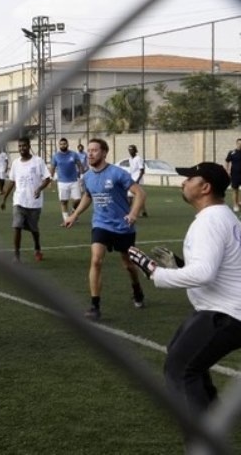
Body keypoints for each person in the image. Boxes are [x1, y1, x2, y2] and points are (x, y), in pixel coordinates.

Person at [126, 162, 241, 426]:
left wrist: (155, 272)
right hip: (221, 308)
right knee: (180, 352)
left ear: (205, 187)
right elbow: (219, 267)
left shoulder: (209, 222)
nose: (183, 182)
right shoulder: (223, 216)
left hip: (226, 312)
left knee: (182, 369)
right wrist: (179, 265)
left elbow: (204, 273)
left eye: (190, 178)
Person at [63, 138, 147, 321]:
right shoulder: (87, 176)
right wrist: (74, 215)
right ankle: (95, 306)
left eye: (94, 150)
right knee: (96, 261)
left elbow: (140, 193)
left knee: (128, 265)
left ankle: (137, 289)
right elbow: (88, 196)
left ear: (104, 152)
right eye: (89, 150)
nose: (90, 153)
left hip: (123, 226)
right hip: (101, 224)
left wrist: (133, 214)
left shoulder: (118, 173)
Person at [0, 137, 51, 263]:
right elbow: (12, 182)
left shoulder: (38, 161)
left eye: (24, 146)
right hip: (19, 201)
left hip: (34, 203)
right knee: (17, 226)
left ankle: (37, 248)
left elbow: (47, 178)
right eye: (20, 146)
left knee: (34, 229)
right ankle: (16, 255)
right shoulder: (16, 163)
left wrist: (39, 189)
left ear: (29, 146)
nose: (21, 148)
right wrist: (4, 199)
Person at [49, 137, 83, 225]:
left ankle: (73, 211)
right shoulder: (56, 156)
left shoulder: (73, 154)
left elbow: (80, 165)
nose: (63, 145)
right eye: (61, 144)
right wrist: (50, 180)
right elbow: (52, 168)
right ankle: (66, 219)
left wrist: (82, 176)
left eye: (64, 144)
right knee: (64, 201)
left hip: (74, 180)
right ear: (59, 145)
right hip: (62, 182)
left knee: (78, 200)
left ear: (67, 144)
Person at [127, 144, 148, 218]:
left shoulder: (138, 158)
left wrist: (137, 180)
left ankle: (128, 212)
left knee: (130, 196)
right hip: (132, 179)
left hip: (137, 180)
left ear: (135, 150)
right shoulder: (130, 159)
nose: (130, 151)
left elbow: (142, 171)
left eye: (132, 149)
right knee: (138, 196)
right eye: (129, 150)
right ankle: (144, 212)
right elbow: (132, 170)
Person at [224, 138, 241, 212]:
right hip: (235, 175)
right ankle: (235, 205)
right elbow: (227, 161)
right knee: (235, 190)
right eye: (239, 143)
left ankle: (240, 202)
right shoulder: (232, 153)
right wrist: (227, 171)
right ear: (236, 144)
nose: (240, 145)